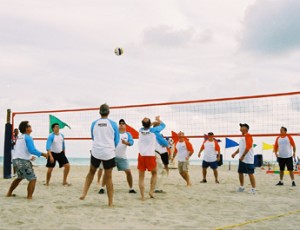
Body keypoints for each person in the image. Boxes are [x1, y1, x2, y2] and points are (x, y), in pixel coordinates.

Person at [79, 104, 119, 207]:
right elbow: (117, 140)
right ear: (108, 112)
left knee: (91, 172)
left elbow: (93, 137)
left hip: (96, 151)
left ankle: (84, 193)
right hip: (108, 152)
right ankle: (110, 202)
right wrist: (110, 147)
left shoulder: (94, 123)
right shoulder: (113, 124)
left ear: (99, 112)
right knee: (108, 177)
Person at [6, 121, 48, 199]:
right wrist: (44, 154)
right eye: (29, 126)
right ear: (26, 128)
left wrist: (29, 157)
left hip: (16, 160)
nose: (31, 126)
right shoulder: (28, 137)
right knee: (33, 179)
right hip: (22, 161)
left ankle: (9, 193)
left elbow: (21, 150)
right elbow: (32, 150)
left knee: (19, 177)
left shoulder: (19, 137)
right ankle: (29, 197)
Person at [98, 119, 136, 194]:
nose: (121, 124)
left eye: (123, 123)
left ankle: (131, 188)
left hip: (122, 157)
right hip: (112, 156)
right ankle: (102, 188)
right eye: (120, 123)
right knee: (107, 172)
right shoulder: (114, 133)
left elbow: (131, 143)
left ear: (125, 126)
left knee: (128, 172)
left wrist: (126, 142)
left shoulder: (128, 134)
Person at [138, 116, 165, 200]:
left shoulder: (140, 130)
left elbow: (146, 127)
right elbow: (163, 125)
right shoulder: (154, 130)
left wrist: (151, 123)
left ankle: (142, 196)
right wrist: (158, 120)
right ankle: (151, 192)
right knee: (154, 174)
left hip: (141, 155)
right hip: (150, 156)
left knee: (141, 177)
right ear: (149, 124)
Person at [231, 123, 256, 194]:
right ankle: (242, 187)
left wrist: (243, 155)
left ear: (246, 129)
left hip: (248, 158)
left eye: (242, 127)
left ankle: (253, 189)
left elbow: (248, 147)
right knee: (240, 172)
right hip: (242, 158)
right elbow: (241, 147)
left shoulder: (248, 135)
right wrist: (235, 153)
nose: (240, 127)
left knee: (250, 173)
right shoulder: (242, 136)